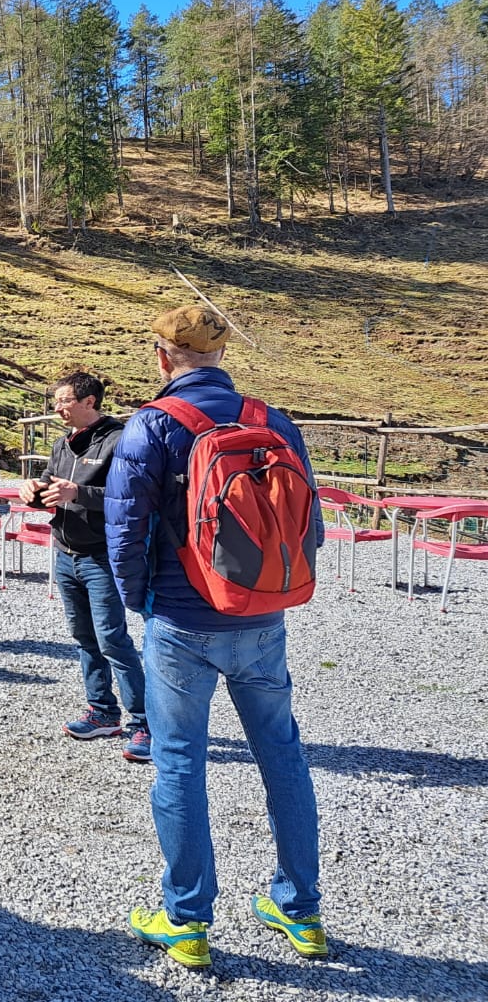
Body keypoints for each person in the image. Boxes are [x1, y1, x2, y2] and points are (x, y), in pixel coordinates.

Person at [106, 306, 326, 970]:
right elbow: (308, 523)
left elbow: (124, 537)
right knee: (283, 758)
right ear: (222, 354)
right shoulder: (272, 421)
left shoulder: (150, 425)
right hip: (263, 621)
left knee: (179, 766)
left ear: (162, 356)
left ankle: (188, 922)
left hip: (182, 624)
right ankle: (301, 912)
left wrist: (143, 602)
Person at [18, 372, 148, 762]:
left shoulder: (120, 441)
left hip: (101, 558)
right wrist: (33, 491)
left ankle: (144, 724)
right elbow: (47, 487)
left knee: (112, 639)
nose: (57, 409)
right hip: (64, 553)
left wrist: (80, 493)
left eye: (63, 401)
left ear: (89, 401)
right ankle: (102, 712)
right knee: (83, 637)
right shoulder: (62, 444)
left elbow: (134, 496)